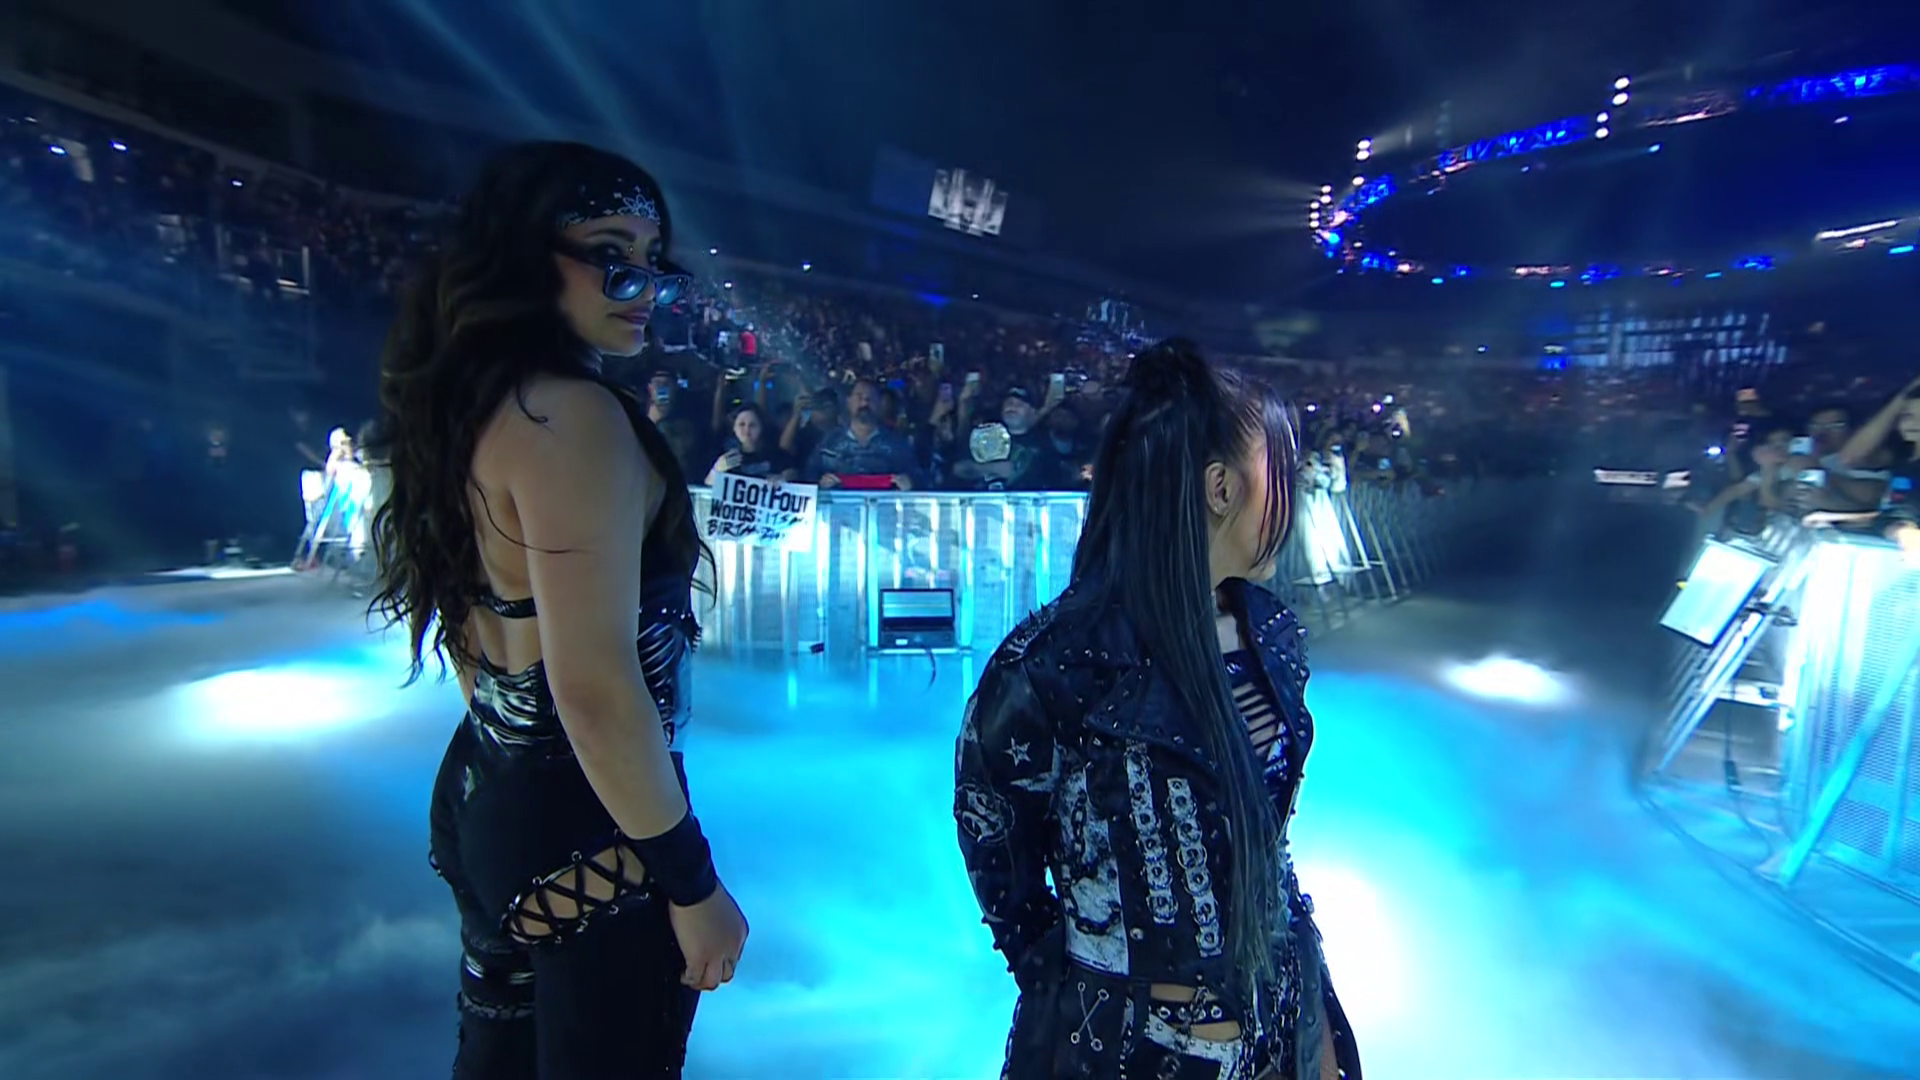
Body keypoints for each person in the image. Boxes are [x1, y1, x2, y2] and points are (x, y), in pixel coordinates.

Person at [368, 141, 749, 1080]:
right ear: (523, 253)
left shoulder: (472, 406)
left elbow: (481, 648)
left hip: (487, 797)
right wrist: (692, 882)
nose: (641, 287)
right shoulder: (572, 418)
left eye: (652, 261)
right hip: (593, 835)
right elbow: (593, 687)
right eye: (611, 255)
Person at [955, 339, 1361, 1080]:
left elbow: (1267, 850)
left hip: (1279, 1033)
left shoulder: (1272, 634)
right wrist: (1083, 989)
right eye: (1281, 468)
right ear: (1220, 488)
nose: (1296, 492)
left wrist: (1318, 1027)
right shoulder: (1051, 664)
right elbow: (996, 846)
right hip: (1124, 1053)